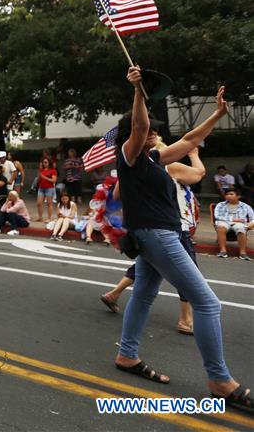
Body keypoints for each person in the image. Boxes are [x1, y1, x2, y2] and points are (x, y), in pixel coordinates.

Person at [113, 65, 252, 414]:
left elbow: (190, 141)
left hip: (154, 236)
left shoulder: (154, 158)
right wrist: (138, 90)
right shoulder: (129, 157)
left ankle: (127, 356)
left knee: (143, 295)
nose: (156, 135)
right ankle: (219, 380)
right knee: (207, 304)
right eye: (151, 132)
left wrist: (218, 113)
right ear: (135, 135)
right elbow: (141, 125)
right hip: (158, 235)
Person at [100, 144, 206, 335]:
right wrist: (194, 154)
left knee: (146, 275)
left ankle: (114, 295)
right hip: (172, 228)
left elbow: (116, 195)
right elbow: (198, 173)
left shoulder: (135, 169)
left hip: (149, 229)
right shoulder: (167, 167)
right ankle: (186, 319)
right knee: (195, 284)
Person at [213, 188, 253, 260]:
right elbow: (217, 216)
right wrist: (233, 219)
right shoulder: (220, 205)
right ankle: (223, 251)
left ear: (238, 196)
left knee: (241, 229)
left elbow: (252, 217)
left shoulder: (245, 206)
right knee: (221, 227)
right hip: (224, 222)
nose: (228, 196)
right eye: (227, 194)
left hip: (239, 223)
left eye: (231, 194)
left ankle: (243, 253)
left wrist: (251, 223)